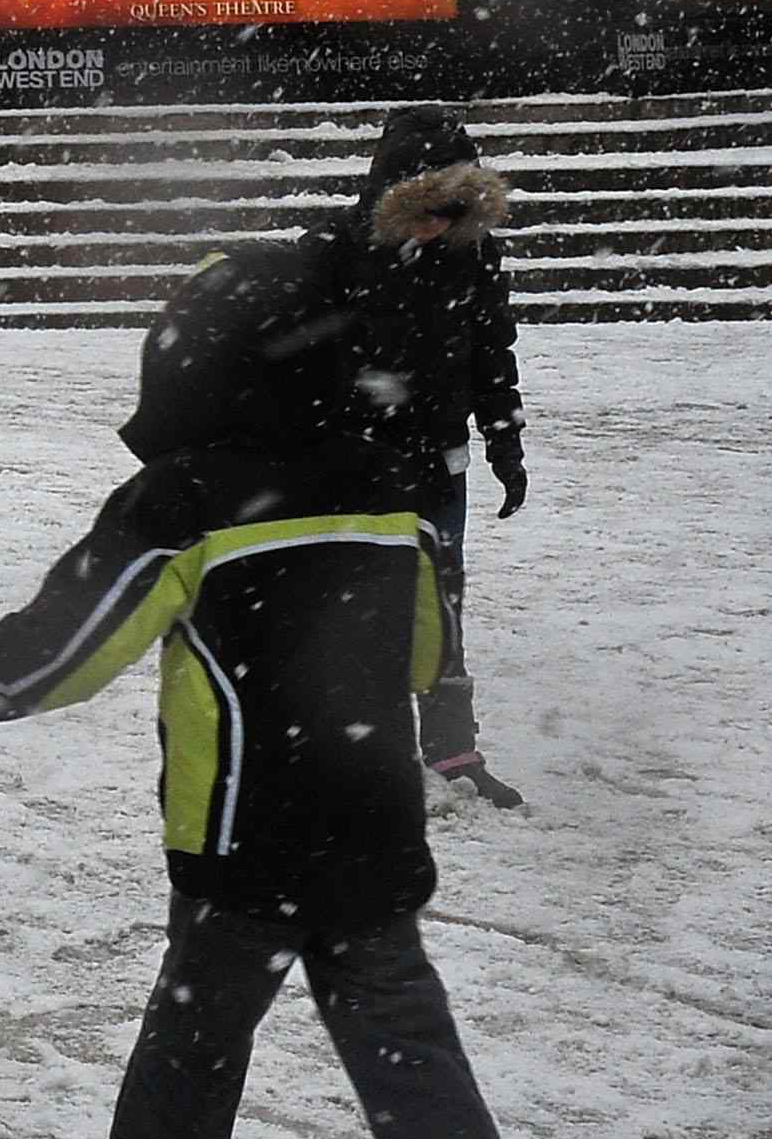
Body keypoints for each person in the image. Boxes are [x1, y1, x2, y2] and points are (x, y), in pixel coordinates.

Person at [0, 297, 553, 1139]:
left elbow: (36, 671)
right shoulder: (390, 485)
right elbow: (427, 656)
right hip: (372, 834)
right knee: (416, 1068)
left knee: (193, 1041)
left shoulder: (180, 501)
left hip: (240, 839)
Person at [130, 105, 529, 808]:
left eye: (453, 211)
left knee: (441, 607)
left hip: (440, 463)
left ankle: (452, 752)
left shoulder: (476, 259)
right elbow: (287, 351)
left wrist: (504, 439)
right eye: (426, 211)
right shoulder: (338, 256)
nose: (438, 226)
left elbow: (493, 353)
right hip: (358, 463)